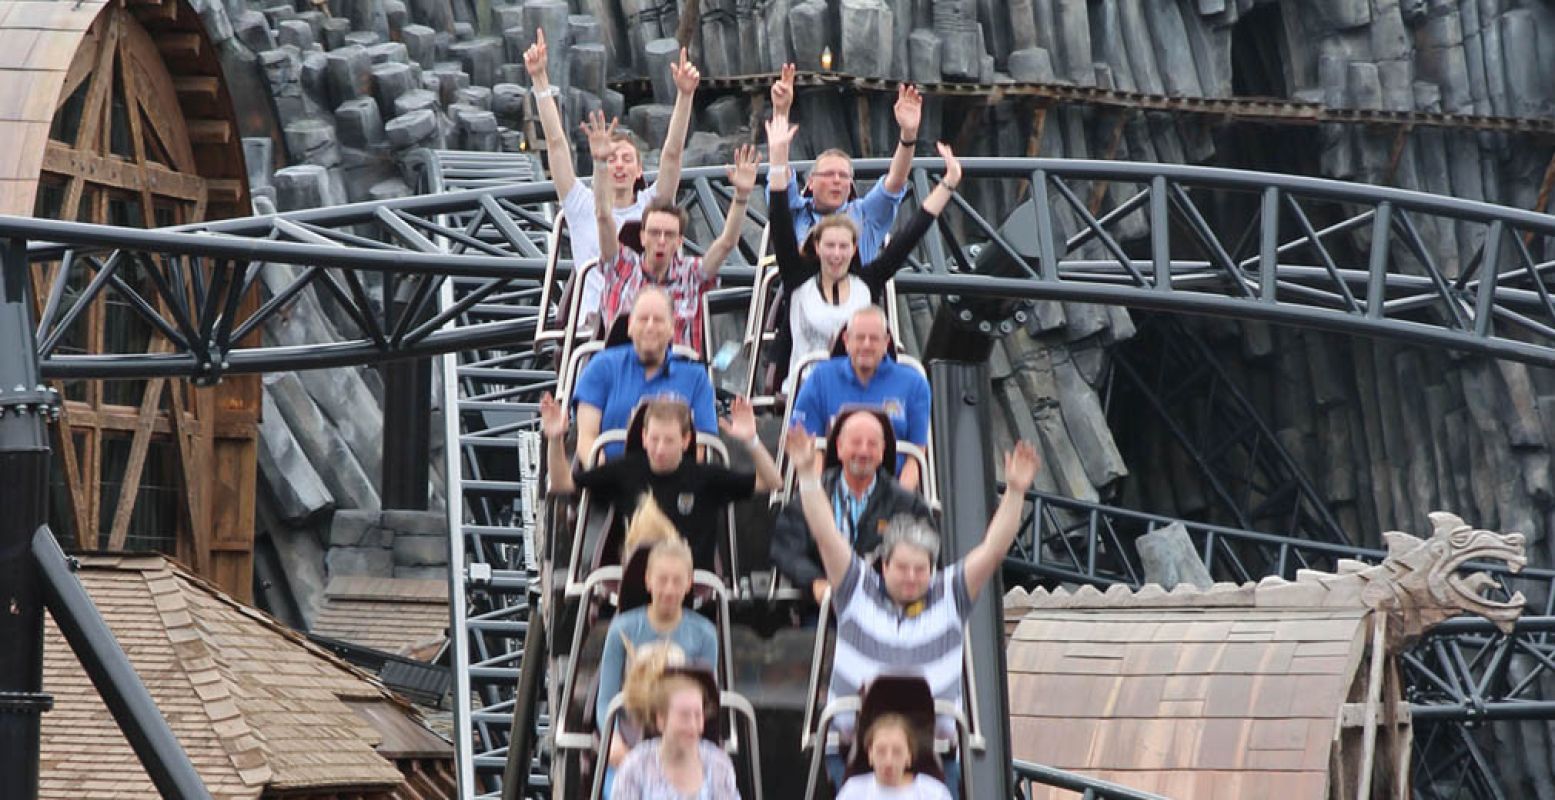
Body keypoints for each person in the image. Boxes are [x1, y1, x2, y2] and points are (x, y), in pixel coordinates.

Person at [784, 425, 1040, 798]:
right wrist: (808, 475)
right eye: (902, 568)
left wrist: (1016, 492)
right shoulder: (856, 586)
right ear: (883, 565)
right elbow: (825, 534)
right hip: (858, 747)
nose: (911, 577)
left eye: (920, 569)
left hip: (931, 750)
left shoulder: (949, 592)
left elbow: (992, 551)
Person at [763, 110, 961, 391]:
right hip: (809, 385)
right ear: (817, 247)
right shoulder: (798, 277)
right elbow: (780, 217)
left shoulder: (867, 281)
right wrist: (778, 156)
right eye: (830, 246)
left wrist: (948, 183)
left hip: (860, 387)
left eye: (843, 246)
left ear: (854, 248)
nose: (836, 254)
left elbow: (910, 234)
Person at [524, 29, 699, 328]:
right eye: (612, 159)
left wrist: (685, 96)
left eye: (627, 159)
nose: (618, 166)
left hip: (646, 320)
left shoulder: (651, 206)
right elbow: (555, 144)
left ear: (639, 170)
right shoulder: (581, 203)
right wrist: (540, 80)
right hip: (594, 324)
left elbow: (671, 155)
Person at [542, 393, 782, 571]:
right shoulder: (624, 470)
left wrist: (751, 440)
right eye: (654, 439)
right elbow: (562, 484)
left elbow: (771, 482)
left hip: (691, 581)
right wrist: (555, 439)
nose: (659, 448)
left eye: (669, 440)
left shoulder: (705, 477)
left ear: (686, 440)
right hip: (638, 579)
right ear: (644, 437)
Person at [591, 112, 758, 355]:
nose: (660, 241)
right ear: (642, 237)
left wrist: (741, 196)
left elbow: (726, 243)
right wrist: (598, 164)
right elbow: (603, 216)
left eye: (668, 235)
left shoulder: (690, 274)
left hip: (677, 372)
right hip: (627, 367)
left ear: (679, 240)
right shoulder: (623, 267)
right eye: (654, 233)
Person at [769, 409, 933, 610]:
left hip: (887, 611)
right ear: (839, 447)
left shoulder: (908, 505)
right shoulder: (809, 498)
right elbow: (786, 551)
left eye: (872, 444)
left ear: (882, 452)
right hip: (822, 610)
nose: (863, 451)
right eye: (856, 443)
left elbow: (927, 552)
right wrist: (815, 583)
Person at [595, 538, 719, 798]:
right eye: (662, 580)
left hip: (680, 738)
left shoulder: (704, 634)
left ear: (689, 584)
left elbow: (705, 701)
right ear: (648, 581)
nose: (669, 590)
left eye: (677, 581)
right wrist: (614, 742)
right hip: (631, 736)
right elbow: (606, 698)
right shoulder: (623, 628)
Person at [768, 63, 921, 261]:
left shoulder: (865, 214)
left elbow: (896, 181)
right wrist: (781, 111)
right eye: (829, 174)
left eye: (843, 176)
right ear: (811, 182)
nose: (837, 180)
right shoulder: (796, 212)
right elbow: (779, 178)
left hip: (854, 287)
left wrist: (908, 134)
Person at [791, 306, 931, 491]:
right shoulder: (820, 378)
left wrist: (897, 503)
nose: (866, 345)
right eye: (859, 338)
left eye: (874, 339)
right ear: (846, 341)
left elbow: (916, 456)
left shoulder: (914, 383)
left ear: (886, 343)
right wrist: (819, 496)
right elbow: (808, 447)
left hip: (892, 489)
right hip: (832, 489)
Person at [571, 288, 717, 461]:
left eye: (658, 320)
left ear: (672, 328)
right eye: (643, 319)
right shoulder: (601, 366)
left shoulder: (696, 377)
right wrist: (605, 478)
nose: (650, 326)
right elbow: (587, 438)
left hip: (675, 480)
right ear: (630, 325)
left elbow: (699, 448)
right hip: (611, 477)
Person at [614, 673, 741, 800]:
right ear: (661, 719)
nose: (693, 726)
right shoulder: (635, 767)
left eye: (698, 715)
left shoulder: (719, 765)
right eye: (684, 716)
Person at [835, 714, 952, 800]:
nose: (888, 761)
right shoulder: (852, 791)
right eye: (881, 751)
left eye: (897, 752)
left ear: (909, 756)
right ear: (870, 755)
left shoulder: (934, 793)